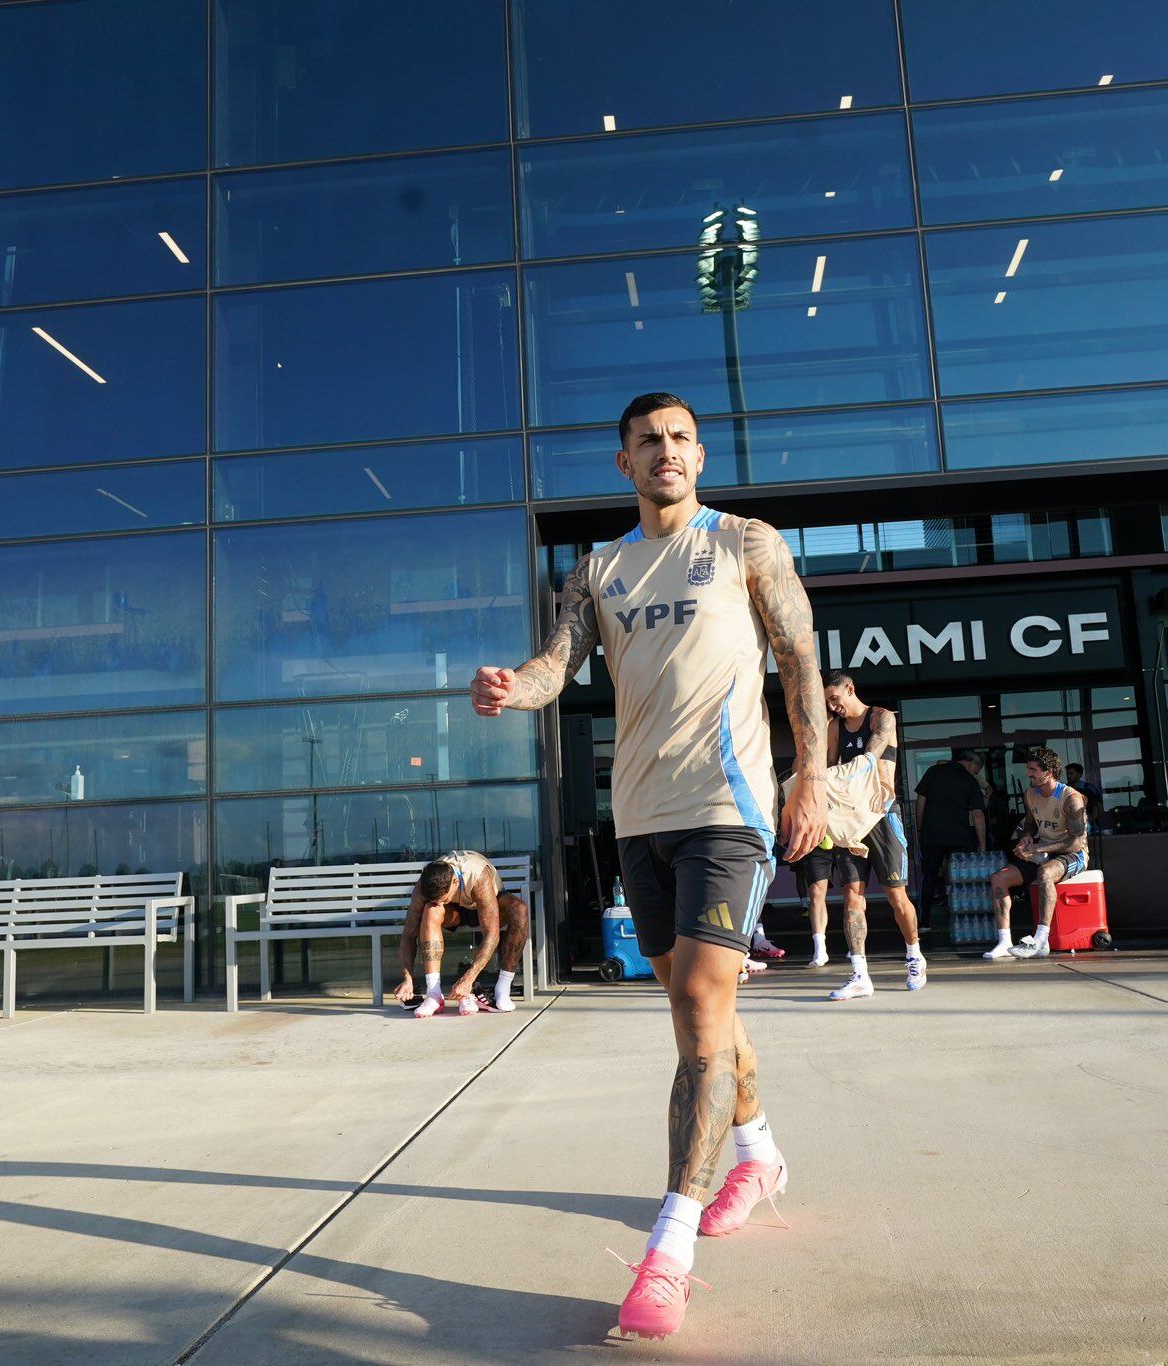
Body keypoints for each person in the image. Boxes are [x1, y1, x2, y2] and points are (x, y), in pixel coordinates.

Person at [471, 392, 825, 1340]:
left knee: (704, 1002)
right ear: (623, 464)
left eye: (679, 439)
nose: (665, 452)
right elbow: (558, 665)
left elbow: (796, 657)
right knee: (695, 1004)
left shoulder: (746, 543)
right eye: (647, 442)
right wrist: (515, 689)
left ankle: (668, 1253)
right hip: (641, 817)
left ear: (698, 455)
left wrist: (810, 777)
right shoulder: (597, 570)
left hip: (730, 810)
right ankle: (758, 1154)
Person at [821, 672, 926, 1001]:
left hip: (883, 816)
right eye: (828, 702)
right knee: (852, 896)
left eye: (835, 698)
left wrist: (866, 760)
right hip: (852, 820)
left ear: (849, 689)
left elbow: (878, 742)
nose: (833, 706)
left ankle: (914, 956)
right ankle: (859, 975)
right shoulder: (835, 727)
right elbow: (827, 766)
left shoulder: (880, 716)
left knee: (897, 896)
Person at [391, 850, 531, 1017]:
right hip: (456, 913)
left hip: (487, 905)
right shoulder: (422, 886)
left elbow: (492, 935)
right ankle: (434, 994)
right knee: (431, 910)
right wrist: (408, 978)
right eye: (437, 900)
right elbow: (408, 934)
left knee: (519, 909)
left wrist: (468, 979)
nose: (440, 903)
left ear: (455, 881)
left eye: (444, 899)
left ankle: (503, 988)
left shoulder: (479, 877)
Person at [985, 747, 1089, 961]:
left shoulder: (1071, 797)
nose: (1029, 774)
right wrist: (1027, 838)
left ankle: (1041, 939)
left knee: (1044, 873)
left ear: (1049, 772)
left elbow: (1076, 842)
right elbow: (1030, 826)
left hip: (1074, 854)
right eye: (1028, 769)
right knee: (998, 879)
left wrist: (1038, 848)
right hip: (1043, 851)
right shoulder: (1031, 794)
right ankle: (1004, 942)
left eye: (1033, 769)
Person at [914, 749, 989, 926]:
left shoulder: (933, 771)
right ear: (971, 763)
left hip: (932, 835)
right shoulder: (970, 781)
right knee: (961, 879)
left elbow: (920, 801)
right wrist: (982, 844)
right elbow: (978, 815)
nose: (975, 774)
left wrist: (919, 828)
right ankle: (963, 921)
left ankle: (923, 922)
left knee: (929, 877)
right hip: (960, 837)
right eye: (976, 770)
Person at [1065, 762, 1105, 832]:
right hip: (1068, 828)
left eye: (1071, 773)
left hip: (1089, 828)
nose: (1068, 776)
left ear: (1079, 775)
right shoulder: (1064, 789)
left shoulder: (1089, 789)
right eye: (1067, 774)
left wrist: (1089, 820)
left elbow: (1098, 807)